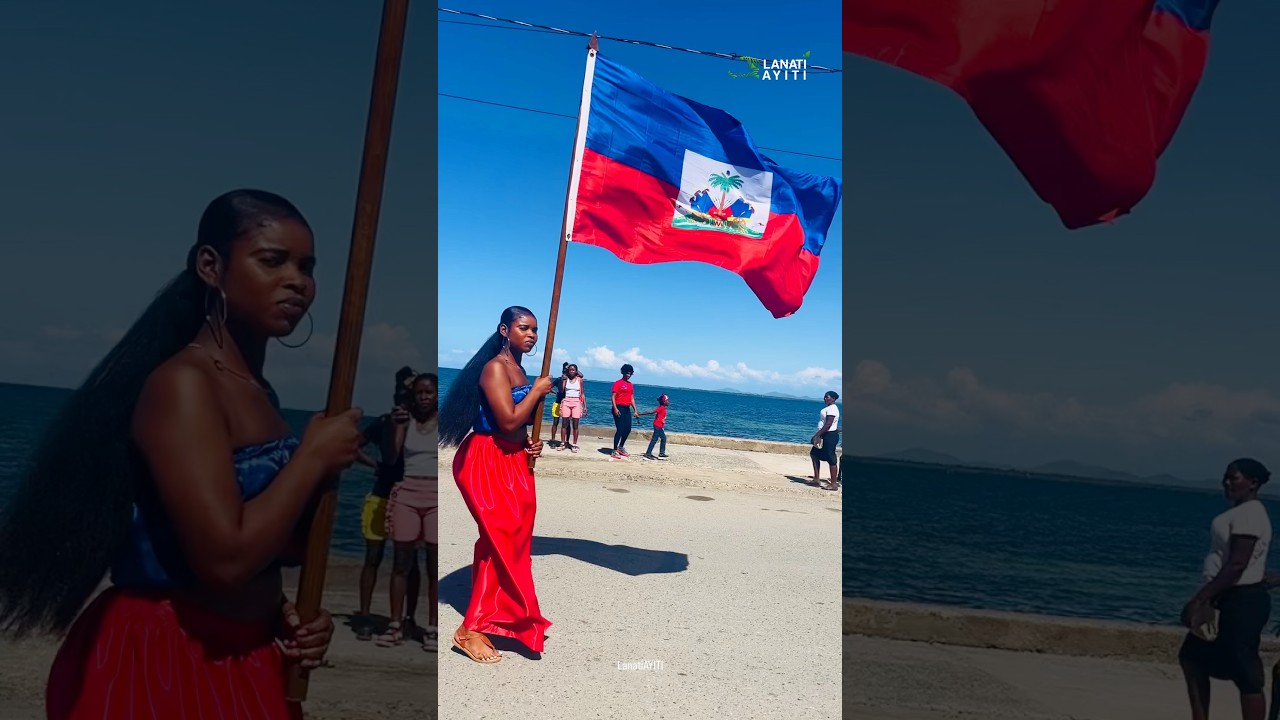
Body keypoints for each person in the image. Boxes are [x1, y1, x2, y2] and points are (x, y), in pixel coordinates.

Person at [0, 189, 360, 719]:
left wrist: (286, 612)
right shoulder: (183, 386)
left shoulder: (260, 392)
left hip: (249, 651)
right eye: (272, 260)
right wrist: (311, 459)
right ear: (211, 266)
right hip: (163, 659)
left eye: (306, 266)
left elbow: (275, 547)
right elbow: (223, 560)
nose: (298, 281)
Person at [439, 305, 553, 664]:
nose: (531, 335)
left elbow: (517, 429)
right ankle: (470, 628)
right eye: (524, 328)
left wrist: (530, 442)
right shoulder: (494, 369)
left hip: (512, 460)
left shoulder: (519, 369)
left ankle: (492, 619)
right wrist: (536, 392)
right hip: (485, 462)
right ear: (505, 330)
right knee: (501, 539)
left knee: (510, 541)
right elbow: (505, 421)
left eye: (535, 329)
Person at [1179, 458, 1274, 720]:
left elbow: (1236, 564)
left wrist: (1199, 599)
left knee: (1246, 671)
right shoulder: (1240, 512)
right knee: (1192, 657)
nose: (1227, 482)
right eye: (1226, 477)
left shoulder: (1250, 513)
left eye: (1234, 478)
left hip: (1241, 600)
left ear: (1253, 483)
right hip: (1225, 597)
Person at [353, 366, 421, 642]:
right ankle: (367, 616)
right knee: (375, 557)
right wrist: (375, 465)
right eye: (402, 394)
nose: (404, 400)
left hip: (409, 496)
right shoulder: (384, 422)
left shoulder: (420, 427)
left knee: (408, 563)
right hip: (382, 494)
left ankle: (408, 619)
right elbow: (354, 444)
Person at [377, 373, 439, 653]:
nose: (424, 397)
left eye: (429, 392)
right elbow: (391, 458)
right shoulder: (405, 421)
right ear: (413, 396)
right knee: (401, 563)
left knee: (433, 567)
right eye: (420, 393)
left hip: (436, 498)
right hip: (407, 494)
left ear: (437, 394)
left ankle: (433, 627)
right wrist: (394, 427)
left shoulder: (444, 421)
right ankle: (395, 624)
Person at [810, 391, 840, 490]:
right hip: (825, 434)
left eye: (827, 397)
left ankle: (833, 484)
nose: (825, 399)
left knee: (831, 458)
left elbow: (828, 424)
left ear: (834, 399)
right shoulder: (829, 408)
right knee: (814, 454)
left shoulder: (832, 409)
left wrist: (816, 435)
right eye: (825, 397)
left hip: (829, 436)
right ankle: (816, 479)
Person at [611, 364, 639, 459]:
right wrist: (615, 408)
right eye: (627, 373)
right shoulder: (618, 383)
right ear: (623, 372)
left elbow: (631, 398)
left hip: (627, 408)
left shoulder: (630, 385)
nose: (628, 375)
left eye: (630, 373)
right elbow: (613, 397)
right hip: (619, 407)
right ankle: (614, 450)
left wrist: (635, 410)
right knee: (620, 429)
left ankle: (621, 447)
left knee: (628, 429)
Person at [557, 363, 587, 453]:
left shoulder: (580, 380)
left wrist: (585, 406)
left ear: (576, 371)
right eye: (570, 370)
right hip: (566, 401)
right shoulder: (565, 379)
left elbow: (582, 393)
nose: (571, 371)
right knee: (564, 423)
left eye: (573, 370)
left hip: (576, 402)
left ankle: (574, 444)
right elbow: (562, 390)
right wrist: (563, 380)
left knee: (575, 424)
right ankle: (563, 443)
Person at [637, 393, 671, 460]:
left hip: (660, 426)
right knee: (654, 440)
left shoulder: (663, 408)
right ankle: (648, 453)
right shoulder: (661, 408)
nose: (669, 401)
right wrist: (640, 414)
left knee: (663, 438)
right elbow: (652, 412)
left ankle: (661, 453)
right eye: (667, 400)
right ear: (664, 402)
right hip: (657, 425)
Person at [549, 361, 569, 446]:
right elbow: (549, 386)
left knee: (567, 424)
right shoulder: (558, 380)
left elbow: (580, 375)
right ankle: (553, 440)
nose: (565, 371)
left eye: (566, 370)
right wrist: (555, 392)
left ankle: (566, 441)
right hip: (558, 402)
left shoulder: (570, 380)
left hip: (567, 403)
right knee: (555, 422)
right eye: (564, 369)